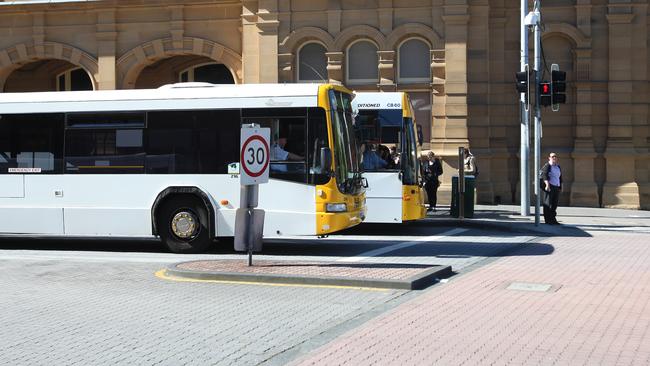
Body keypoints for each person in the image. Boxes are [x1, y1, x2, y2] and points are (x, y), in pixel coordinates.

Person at [540, 152, 562, 225]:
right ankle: (548, 220)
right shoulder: (547, 166)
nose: (554, 158)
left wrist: (561, 186)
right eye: (552, 156)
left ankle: (553, 219)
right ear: (549, 158)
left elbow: (560, 177)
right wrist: (547, 185)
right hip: (550, 187)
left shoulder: (558, 167)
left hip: (556, 187)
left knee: (554, 204)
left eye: (555, 156)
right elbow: (544, 175)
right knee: (547, 204)